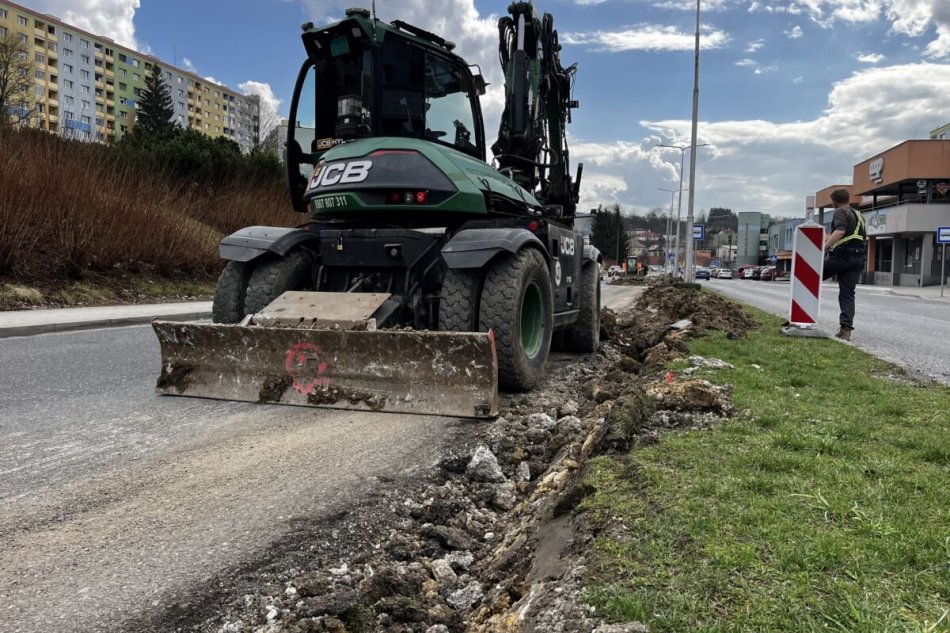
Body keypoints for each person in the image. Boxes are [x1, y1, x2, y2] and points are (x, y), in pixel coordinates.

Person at [823, 189, 867, 341]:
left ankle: (801, 316)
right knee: (848, 294)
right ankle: (845, 329)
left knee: (809, 278)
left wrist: (825, 246)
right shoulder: (859, 215)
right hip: (858, 258)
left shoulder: (840, 212)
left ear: (834, 201)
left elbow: (840, 231)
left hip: (842, 256)